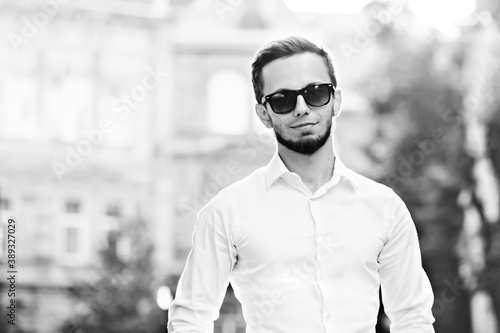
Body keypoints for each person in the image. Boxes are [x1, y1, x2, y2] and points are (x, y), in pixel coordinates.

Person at [168, 36, 435, 332]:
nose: (301, 108)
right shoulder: (227, 211)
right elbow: (191, 318)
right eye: (282, 100)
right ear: (264, 115)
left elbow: (413, 318)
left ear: (336, 101)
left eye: (315, 93)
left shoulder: (386, 208)